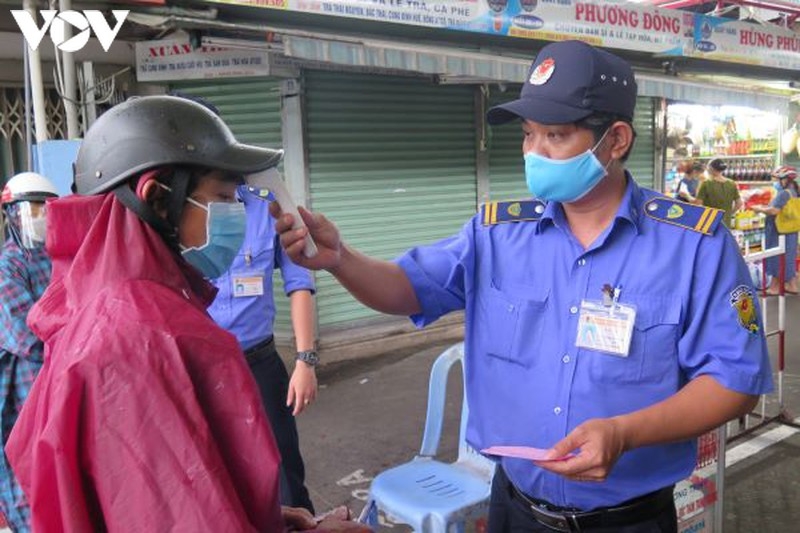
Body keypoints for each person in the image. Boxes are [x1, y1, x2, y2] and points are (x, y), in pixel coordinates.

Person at [272, 40, 773, 532]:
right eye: (529, 135)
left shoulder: (694, 247)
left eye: (554, 136)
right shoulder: (497, 234)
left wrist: (624, 433)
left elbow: (736, 381)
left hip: (629, 521)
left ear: (616, 140)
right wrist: (341, 259)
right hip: (514, 509)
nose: (534, 152)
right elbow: (407, 288)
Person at [4, 96, 366, 532]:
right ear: (156, 197)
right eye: (222, 197)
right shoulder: (144, 335)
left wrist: (263, 517)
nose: (235, 212)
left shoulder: (107, 302)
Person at [209, 184, 317, 513]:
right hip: (205, 370)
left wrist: (306, 360)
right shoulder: (186, 210)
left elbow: (300, 282)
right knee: (217, 473)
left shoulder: (269, 207)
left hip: (260, 364)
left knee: (286, 474)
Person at [0, 173, 58, 532]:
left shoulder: (60, 258)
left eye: (45, 208)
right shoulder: (8, 267)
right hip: (24, 396)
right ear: (12, 214)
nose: (39, 216)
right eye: (31, 208)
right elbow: (26, 336)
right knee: (27, 483)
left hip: (61, 385)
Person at [753, 165, 799, 295]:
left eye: (776, 179)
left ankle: (774, 288)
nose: (774, 182)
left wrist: (759, 208)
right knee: (788, 258)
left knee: (775, 257)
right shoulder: (794, 191)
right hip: (790, 231)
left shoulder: (784, 193)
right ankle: (792, 285)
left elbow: (774, 210)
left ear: (784, 179)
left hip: (778, 231)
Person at [696, 158, 742, 228]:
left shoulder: (706, 184)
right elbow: (739, 203)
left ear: (711, 168)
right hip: (726, 223)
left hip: (709, 222)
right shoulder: (732, 183)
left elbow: (698, 203)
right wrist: (729, 213)